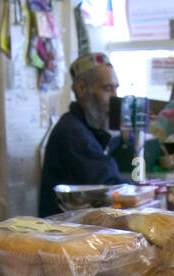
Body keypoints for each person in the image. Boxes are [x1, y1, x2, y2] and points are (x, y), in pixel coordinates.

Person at [38, 53, 129, 217]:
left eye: (116, 88)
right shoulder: (73, 134)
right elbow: (112, 187)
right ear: (82, 89)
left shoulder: (86, 130)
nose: (115, 97)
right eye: (107, 88)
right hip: (63, 236)